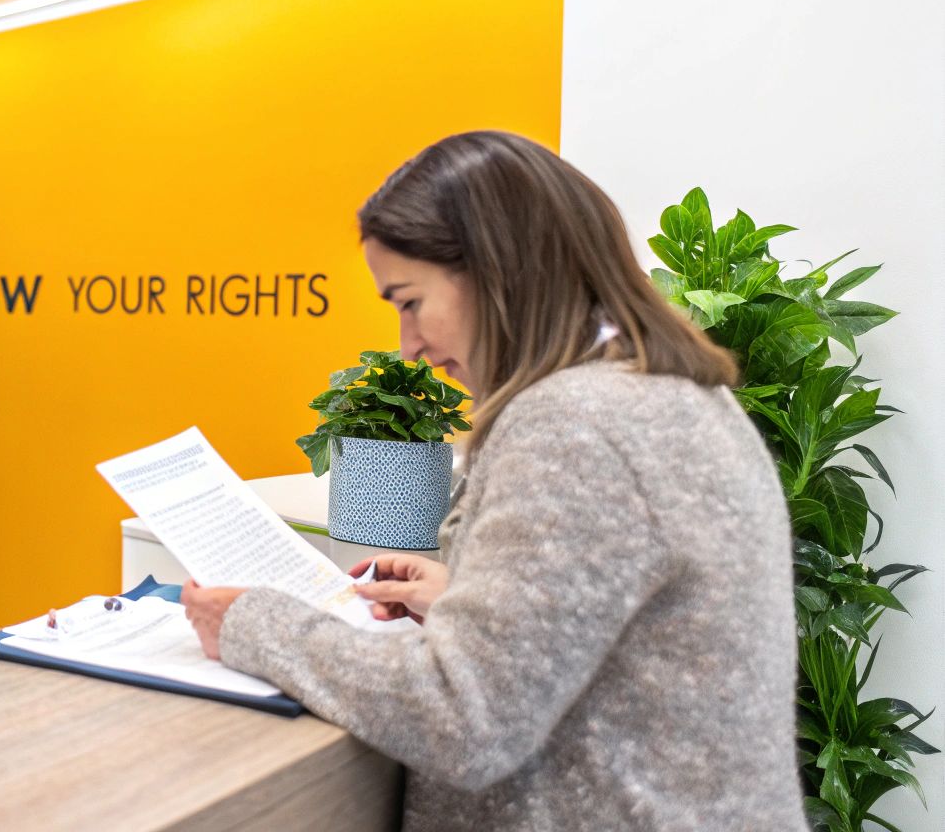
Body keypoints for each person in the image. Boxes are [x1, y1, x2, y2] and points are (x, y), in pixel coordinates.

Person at [182, 132, 804, 829]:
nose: (408, 344)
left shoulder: (575, 423)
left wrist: (254, 624)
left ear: (498, 273)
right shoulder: (676, 396)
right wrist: (474, 601)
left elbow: (464, 719)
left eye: (410, 301)